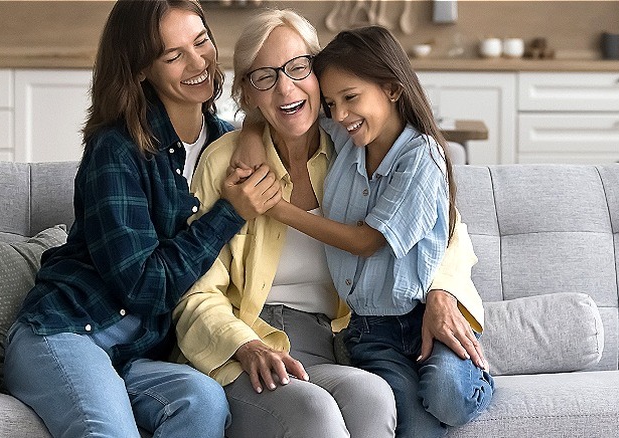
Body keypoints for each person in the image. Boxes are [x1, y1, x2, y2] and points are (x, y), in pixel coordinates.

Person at [174, 9, 487, 438]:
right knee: (315, 413)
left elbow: (445, 225)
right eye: (264, 77)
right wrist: (242, 345)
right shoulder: (227, 165)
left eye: (298, 68)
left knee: (375, 397)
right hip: (251, 338)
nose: (286, 87)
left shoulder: (354, 142)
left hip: (336, 341)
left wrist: (442, 290)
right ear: (246, 93)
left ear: (320, 75)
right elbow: (196, 289)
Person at [3, 1, 282, 437]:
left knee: (203, 402)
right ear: (138, 70)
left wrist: (250, 127)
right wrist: (229, 214)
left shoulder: (231, 145)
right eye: (173, 56)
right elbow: (143, 286)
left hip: (136, 355)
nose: (197, 63)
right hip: (67, 332)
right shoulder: (116, 149)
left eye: (201, 41)